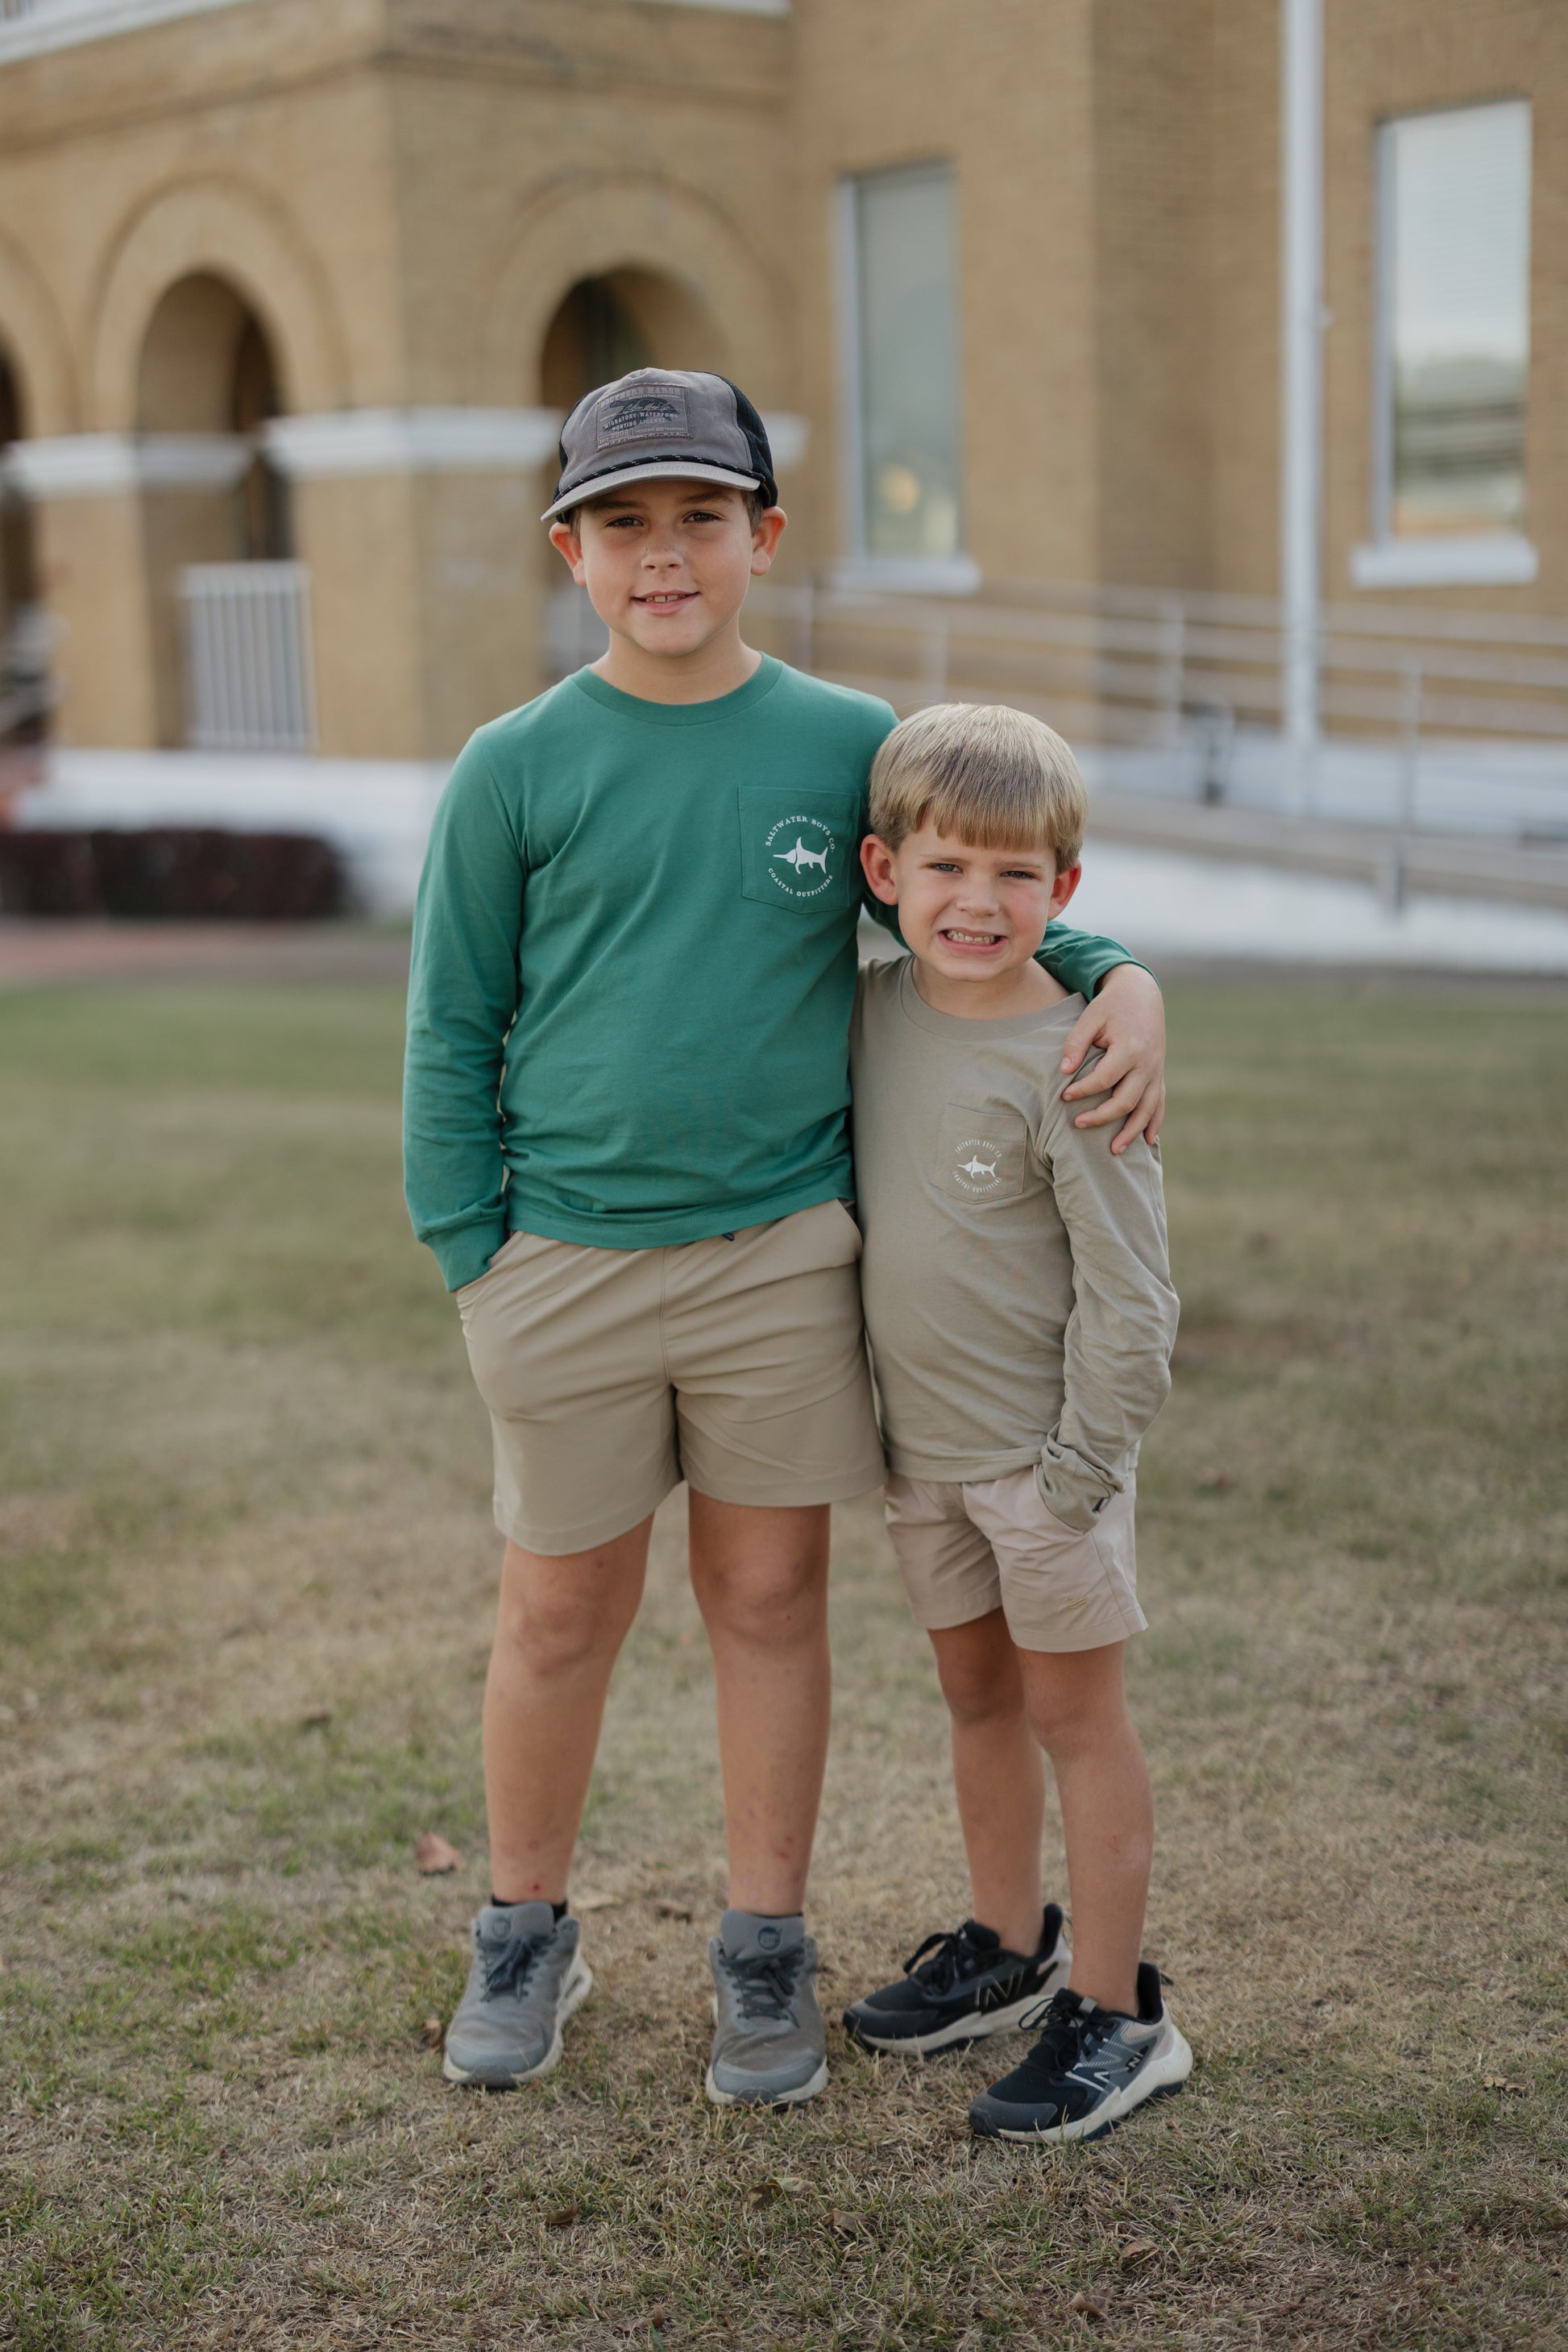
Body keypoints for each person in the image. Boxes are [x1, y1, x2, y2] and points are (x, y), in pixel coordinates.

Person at [402, 368, 1168, 2105]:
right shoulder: (513, 767)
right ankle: (524, 1927)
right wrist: (476, 1246)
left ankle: (764, 1942)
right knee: (552, 1612)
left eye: (696, 518)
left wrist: (1115, 969)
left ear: (762, 533)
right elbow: (451, 1026)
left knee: (765, 1596)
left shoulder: (846, 744)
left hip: (775, 1257)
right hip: (562, 1259)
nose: (660, 555)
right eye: (621, 525)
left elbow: (978, 888)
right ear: (571, 552)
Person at [843, 701, 1192, 2144]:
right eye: (943, 870)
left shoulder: (1078, 1058)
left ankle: (1118, 2013)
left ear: (1062, 893)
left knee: (1073, 1717)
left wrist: (1077, 1474)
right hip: (918, 1465)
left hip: (1045, 1474)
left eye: (1012, 876)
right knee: (974, 1701)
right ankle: (1006, 1944)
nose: (975, 902)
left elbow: (1132, 1296)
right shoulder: (865, 1014)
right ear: (882, 872)